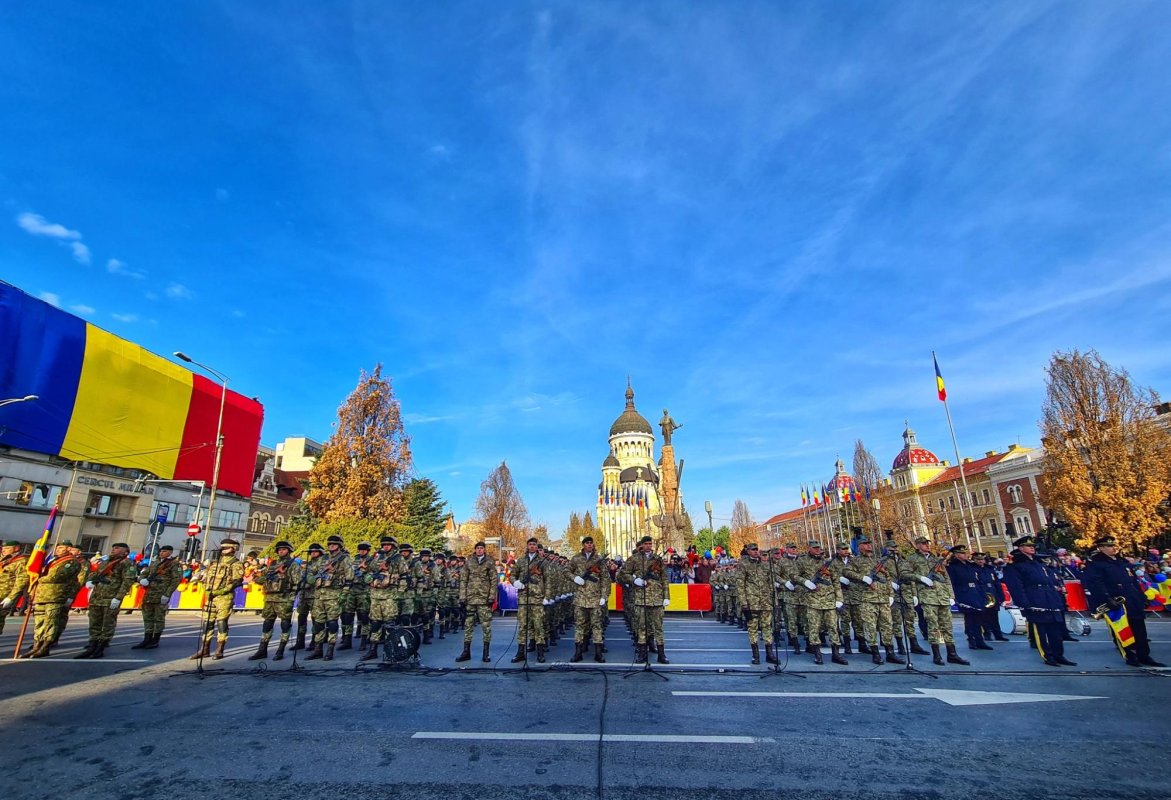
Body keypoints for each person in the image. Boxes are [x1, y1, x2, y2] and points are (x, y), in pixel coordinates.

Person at [1081, 535, 1165, 667]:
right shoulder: (1096, 564)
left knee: (1140, 628)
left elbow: (1133, 581)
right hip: (1116, 601)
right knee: (1123, 630)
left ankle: (1144, 655)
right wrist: (1107, 599)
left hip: (1132, 598)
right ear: (1101, 548)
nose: (1113, 548)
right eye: (1109, 546)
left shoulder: (1122, 561)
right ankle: (1130, 656)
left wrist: (1142, 597)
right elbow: (1096, 583)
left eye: (1114, 545)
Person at [1002, 535, 1075, 667]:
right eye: (1029, 546)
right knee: (1041, 630)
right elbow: (1016, 587)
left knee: (1056, 630)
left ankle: (1059, 654)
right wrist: (1024, 603)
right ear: (1021, 548)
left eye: (1033, 546)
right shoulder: (1016, 565)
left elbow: (1050, 578)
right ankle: (1048, 656)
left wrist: (1057, 590)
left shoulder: (1039, 563)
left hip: (1050, 597)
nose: (1032, 548)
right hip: (1034, 598)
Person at [897, 536, 968, 666]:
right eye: (923, 544)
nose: (926, 545)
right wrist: (921, 578)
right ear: (917, 545)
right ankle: (937, 655)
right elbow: (904, 575)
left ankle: (952, 654)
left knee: (947, 626)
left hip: (942, 596)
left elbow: (946, 578)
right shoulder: (912, 559)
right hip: (927, 596)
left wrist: (951, 595)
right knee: (933, 626)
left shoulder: (936, 559)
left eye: (927, 543)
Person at [842, 537, 904, 665]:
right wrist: (863, 578)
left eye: (869, 543)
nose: (868, 546)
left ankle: (890, 653)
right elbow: (846, 572)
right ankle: (875, 653)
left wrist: (891, 594)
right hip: (867, 599)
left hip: (883, 599)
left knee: (887, 626)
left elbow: (887, 577)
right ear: (859, 546)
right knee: (870, 626)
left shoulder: (877, 560)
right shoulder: (855, 561)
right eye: (865, 544)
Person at [22, 541, 84, 658]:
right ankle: (36, 645)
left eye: (61, 547)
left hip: (55, 596)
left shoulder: (71, 562)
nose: (57, 549)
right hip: (42, 595)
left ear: (69, 549)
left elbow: (57, 576)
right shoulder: (52, 560)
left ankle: (45, 647)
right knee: (39, 622)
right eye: (57, 547)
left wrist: (37, 578)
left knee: (50, 622)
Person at [77, 542, 137, 659]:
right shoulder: (105, 561)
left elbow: (127, 582)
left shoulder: (127, 563)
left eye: (117, 548)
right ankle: (92, 646)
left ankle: (101, 647)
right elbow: (95, 573)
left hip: (111, 597)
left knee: (107, 623)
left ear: (125, 551)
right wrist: (90, 580)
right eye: (113, 547)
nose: (114, 549)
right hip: (97, 596)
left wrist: (118, 598)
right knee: (94, 623)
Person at [617, 536, 671, 664]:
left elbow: (664, 579)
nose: (648, 546)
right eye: (646, 544)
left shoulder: (657, 559)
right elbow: (622, 574)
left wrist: (666, 596)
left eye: (650, 543)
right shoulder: (634, 559)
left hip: (657, 598)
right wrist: (635, 580)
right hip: (641, 598)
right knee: (642, 627)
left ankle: (661, 654)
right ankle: (642, 654)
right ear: (641, 545)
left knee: (658, 627)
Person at [190, 538, 245, 660]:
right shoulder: (215, 562)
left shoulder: (236, 564)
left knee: (221, 623)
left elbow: (237, 581)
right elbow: (207, 576)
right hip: (210, 597)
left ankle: (220, 649)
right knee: (207, 623)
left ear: (233, 549)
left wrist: (222, 591)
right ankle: (205, 649)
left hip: (224, 597)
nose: (223, 550)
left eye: (226, 548)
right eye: (222, 547)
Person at [248, 541, 302, 661]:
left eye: (283, 549)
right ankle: (262, 649)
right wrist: (256, 578)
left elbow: (297, 582)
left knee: (285, 624)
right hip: (270, 598)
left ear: (288, 550)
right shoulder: (272, 564)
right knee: (267, 624)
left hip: (284, 598)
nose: (280, 551)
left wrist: (292, 598)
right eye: (279, 550)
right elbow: (266, 578)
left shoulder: (293, 564)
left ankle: (280, 650)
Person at [795, 541, 846, 665]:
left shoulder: (827, 562)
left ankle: (836, 654)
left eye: (819, 548)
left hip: (829, 600)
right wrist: (806, 582)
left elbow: (836, 581)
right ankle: (817, 654)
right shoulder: (802, 561)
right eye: (815, 548)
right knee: (814, 628)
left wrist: (839, 599)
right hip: (813, 601)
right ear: (809, 548)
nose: (818, 550)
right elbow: (793, 575)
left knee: (833, 627)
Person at [308, 535, 352, 661]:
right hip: (319, 596)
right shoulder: (323, 559)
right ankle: (318, 649)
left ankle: (330, 649)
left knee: (332, 623)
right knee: (318, 623)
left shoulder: (344, 559)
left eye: (334, 544)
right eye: (329, 544)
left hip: (334, 595)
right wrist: (312, 579)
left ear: (339, 545)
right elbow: (311, 572)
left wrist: (344, 593)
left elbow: (349, 578)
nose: (331, 546)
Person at [132, 544, 184, 649]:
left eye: (164, 551)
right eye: (161, 551)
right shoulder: (155, 562)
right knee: (147, 618)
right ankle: (147, 639)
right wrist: (142, 579)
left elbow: (176, 580)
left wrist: (167, 594)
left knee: (159, 618)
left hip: (161, 594)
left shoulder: (175, 564)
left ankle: (155, 640)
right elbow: (144, 573)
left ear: (170, 552)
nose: (161, 553)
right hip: (149, 594)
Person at [569, 535, 611, 663]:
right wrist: (575, 578)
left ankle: (598, 653)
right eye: (587, 543)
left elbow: (605, 578)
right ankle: (578, 652)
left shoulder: (598, 559)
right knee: (579, 626)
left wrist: (604, 596)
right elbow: (566, 571)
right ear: (583, 545)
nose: (589, 545)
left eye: (591, 543)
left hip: (595, 598)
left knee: (597, 625)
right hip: (580, 598)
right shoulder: (576, 558)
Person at [735, 543, 777, 665]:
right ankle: (756, 655)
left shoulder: (765, 565)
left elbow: (771, 583)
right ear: (747, 551)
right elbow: (740, 584)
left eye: (756, 550)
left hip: (765, 602)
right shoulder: (743, 565)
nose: (755, 551)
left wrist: (773, 600)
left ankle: (770, 654)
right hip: (751, 602)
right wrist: (743, 603)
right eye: (753, 550)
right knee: (752, 629)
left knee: (767, 627)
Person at [946, 545, 992, 651]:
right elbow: (953, 583)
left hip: (975, 593)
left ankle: (980, 640)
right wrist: (955, 597)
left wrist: (982, 594)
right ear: (956, 555)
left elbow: (977, 579)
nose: (965, 555)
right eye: (962, 553)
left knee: (979, 617)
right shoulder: (953, 567)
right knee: (970, 618)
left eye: (965, 553)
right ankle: (971, 639)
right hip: (964, 594)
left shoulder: (970, 565)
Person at [456, 541, 497, 663]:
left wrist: (491, 596)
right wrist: (462, 596)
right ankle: (466, 652)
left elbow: (494, 580)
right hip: (470, 598)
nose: (479, 550)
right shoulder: (469, 561)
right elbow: (463, 579)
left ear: (484, 550)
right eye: (477, 548)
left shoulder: (489, 561)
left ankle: (486, 653)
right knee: (468, 625)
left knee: (486, 626)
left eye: (481, 548)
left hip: (484, 598)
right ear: (475, 549)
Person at [511, 537, 549, 663]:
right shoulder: (521, 561)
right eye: (530, 544)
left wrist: (547, 597)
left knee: (538, 626)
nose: (532, 546)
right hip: (523, 598)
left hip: (537, 599)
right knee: (522, 626)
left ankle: (540, 653)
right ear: (527, 546)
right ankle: (520, 652)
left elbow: (548, 580)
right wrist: (515, 582)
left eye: (534, 544)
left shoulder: (542, 561)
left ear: (536, 546)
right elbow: (512, 574)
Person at [340, 541, 374, 651]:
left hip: (364, 591)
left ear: (368, 551)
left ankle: (364, 640)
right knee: (348, 616)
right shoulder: (353, 560)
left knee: (364, 616)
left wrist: (365, 570)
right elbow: (348, 572)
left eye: (364, 550)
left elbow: (374, 574)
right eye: (360, 550)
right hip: (352, 590)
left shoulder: (372, 561)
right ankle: (347, 641)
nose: (361, 552)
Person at [0, 540, 29, 635]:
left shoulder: (21, 561)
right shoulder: (3, 559)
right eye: (3, 548)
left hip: (4, 595)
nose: (4, 550)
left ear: (16, 548)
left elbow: (21, 580)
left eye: (7, 548)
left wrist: (11, 597)